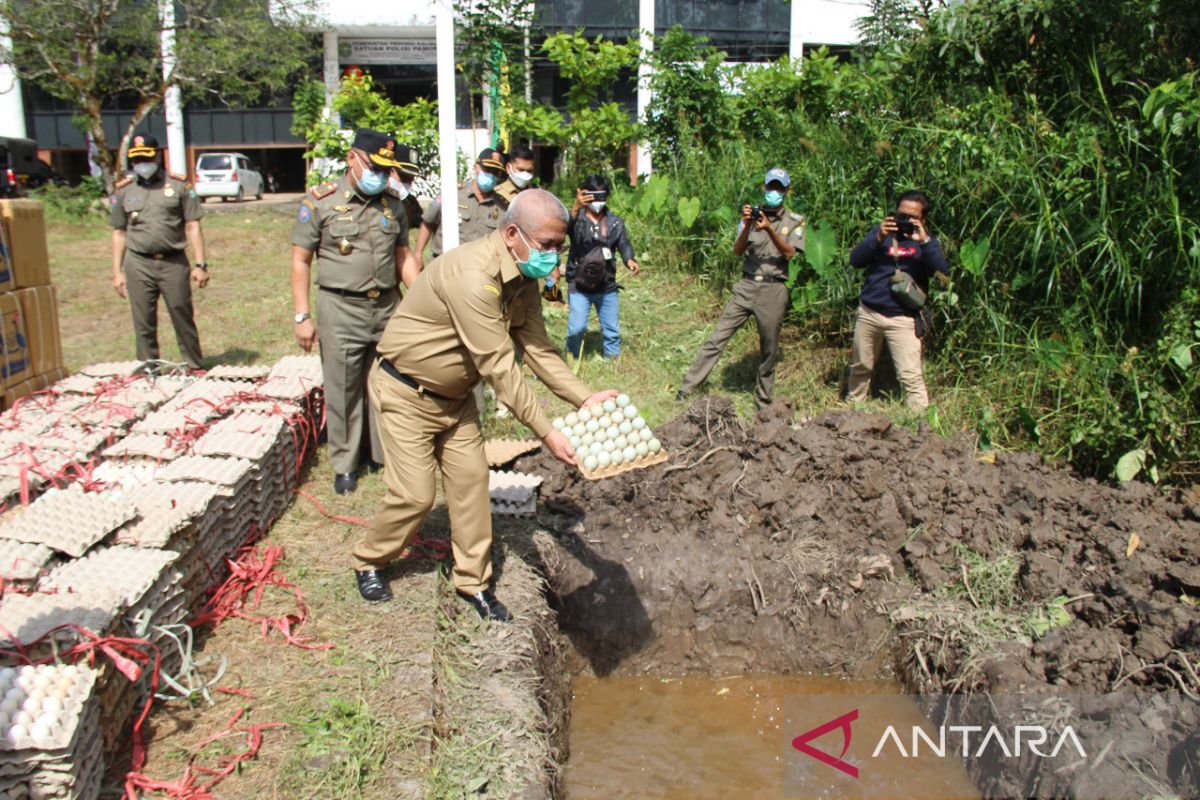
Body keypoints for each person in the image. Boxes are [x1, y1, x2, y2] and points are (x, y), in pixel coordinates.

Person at [355, 189, 618, 619]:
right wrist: (547, 433)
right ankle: (370, 559)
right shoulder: (472, 276)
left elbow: (536, 347)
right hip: (407, 392)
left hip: (455, 400)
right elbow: (500, 368)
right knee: (415, 495)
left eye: (559, 245)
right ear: (512, 233)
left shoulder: (524, 275)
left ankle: (472, 583)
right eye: (547, 244)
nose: (553, 255)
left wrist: (584, 397)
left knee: (471, 487)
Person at [290, 129, 419, 495]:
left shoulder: (393, 205)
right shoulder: (321, 202)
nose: (380, 174)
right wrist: (302, 316)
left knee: (389, 383)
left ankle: (382, 454)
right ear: (352, 158)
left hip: (387, 306)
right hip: (341, 307)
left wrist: (423, 298)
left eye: (385, 168)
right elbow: (300, 261)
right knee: (343, 385)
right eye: (374, 166)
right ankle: (345, 463)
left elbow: (403, 257)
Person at [676, 167, 805, 410]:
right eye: (770, 187)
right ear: (764, 188)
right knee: (717, 337)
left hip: (773, 289)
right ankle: (687, 388)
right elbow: (737, 251)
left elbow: (789, 254)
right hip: (746, 285)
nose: (774, 192)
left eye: (779, 188)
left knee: (769, 349)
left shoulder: (795, 221)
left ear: (787, 191)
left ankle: (763, 400)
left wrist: (768, 228)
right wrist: (747, 225)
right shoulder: (751, 218)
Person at [109, 134, 209, 370]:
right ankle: (148, 368)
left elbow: (193, 225)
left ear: (157, 155)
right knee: (143, 320)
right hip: (138, 263)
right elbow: (119, 232)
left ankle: (194, 365)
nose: (142, 164)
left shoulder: (178, 185)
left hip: (173, 262)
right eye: (136, 160)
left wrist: (201, 264)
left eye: (146, 157)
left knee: (181, 314)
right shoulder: (124, 189)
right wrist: (116, 272)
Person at [845, 189, 948, 411]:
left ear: (923, 219)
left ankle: (920, 418)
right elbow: (856, 260)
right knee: (861, 366)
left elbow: (941, 271)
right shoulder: (881, 234)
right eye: (901, 215)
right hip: (870, 312)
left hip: (904, 318)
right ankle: (853, 408)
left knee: (910, 375)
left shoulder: (926, 244)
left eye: (912, 217)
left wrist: (925, 241)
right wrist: (879, 236)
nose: (905, 221)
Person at [564, 174, 639, 359]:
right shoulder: (576, 219)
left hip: (606, 284)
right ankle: (570, 358)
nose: (597, 201)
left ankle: (613, 361)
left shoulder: (615, 222)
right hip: (579, 283)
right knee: (577, 327)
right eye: (593, 196)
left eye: (601, 196)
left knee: (611, 329)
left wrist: (629, 259)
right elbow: (562, 229)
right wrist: (575, 207)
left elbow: (624, 243)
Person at [414, 148, 509, 269]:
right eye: (487, 169)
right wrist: (418, 254)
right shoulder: (452, 194)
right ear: (476, 168)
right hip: (444, 265)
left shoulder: (502, 207)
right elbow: (428, 222)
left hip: (478, 269)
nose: (491, 175)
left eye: (496, 172)